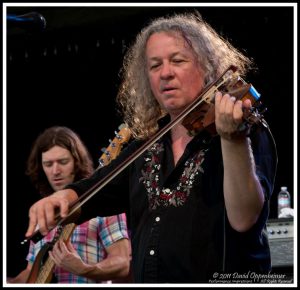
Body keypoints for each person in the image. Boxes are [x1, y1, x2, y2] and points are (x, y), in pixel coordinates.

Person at [25, 13, 277, 283]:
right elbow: (95, 191)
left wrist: (233, 139)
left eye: (178, 61)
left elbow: (244, 219)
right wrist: (63, 197)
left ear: (207, 66)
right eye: (155, 65)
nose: (165, 73)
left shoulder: (245, 130)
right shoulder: (146, 146)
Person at [8, 126, 131, 283]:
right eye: (48, 164)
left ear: (77, 162)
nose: (55, 171)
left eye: (63, 162)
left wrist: (84, 269)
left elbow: (122, 263)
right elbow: (30, 273)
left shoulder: (103, 204)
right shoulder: (43, 212)